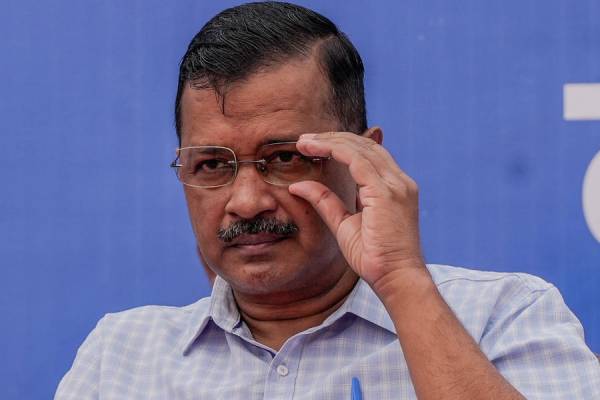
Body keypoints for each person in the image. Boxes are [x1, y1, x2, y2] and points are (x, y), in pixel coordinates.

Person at [55, 2, 600, 399]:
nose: (246, 201)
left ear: (364, 161)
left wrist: (402, 281)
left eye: (284, 158)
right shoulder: (122, 356)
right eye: (213, 165)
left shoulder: (503, 315)